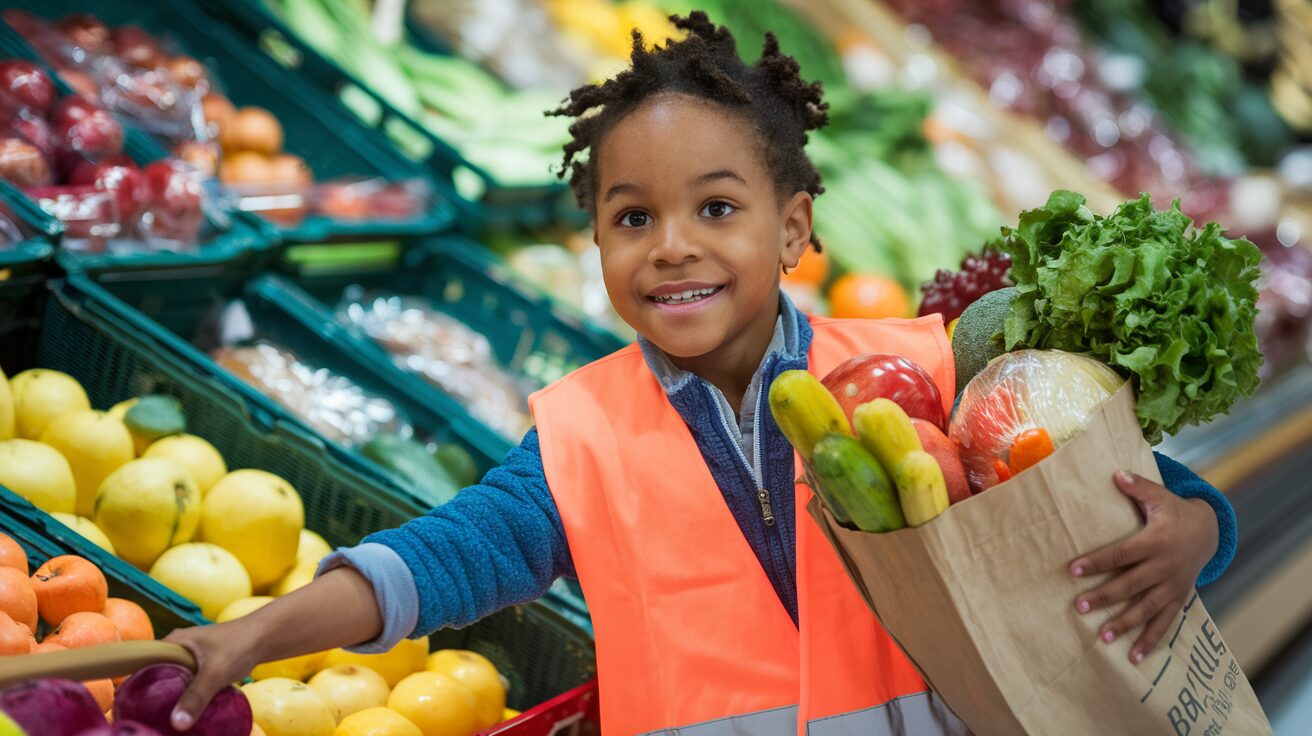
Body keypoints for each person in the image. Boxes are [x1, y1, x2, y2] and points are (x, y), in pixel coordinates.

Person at [167, 13, 1235, 735]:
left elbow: (1118, 492)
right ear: (595, 243)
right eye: (633, 217)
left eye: (715, 208)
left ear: (794, 229)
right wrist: (259, 630)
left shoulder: (922, 372)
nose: (670, 245)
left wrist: (1197, 529)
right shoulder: (584, 439)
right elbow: (451, 556)